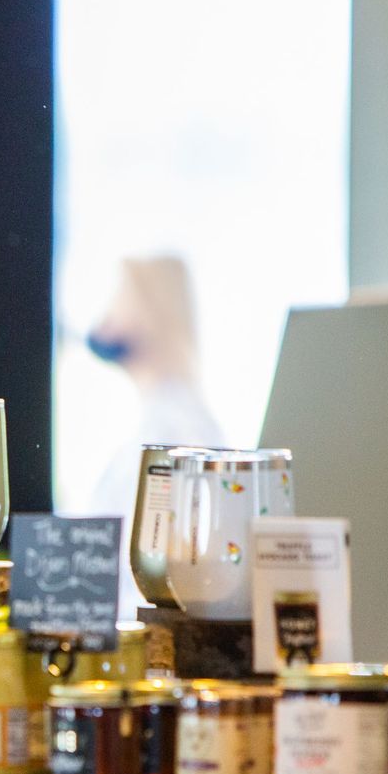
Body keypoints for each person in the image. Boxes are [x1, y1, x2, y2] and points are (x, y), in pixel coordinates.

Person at [83, 255, 226, 606]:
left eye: (120, 296)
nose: (106, 314)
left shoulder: (178, 427)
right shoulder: (157, 418)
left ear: (149, 311)